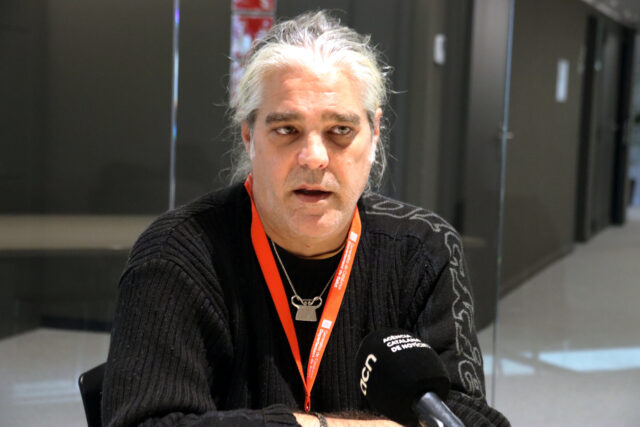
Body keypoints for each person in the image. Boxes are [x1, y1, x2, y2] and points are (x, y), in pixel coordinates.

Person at [102, 11, 510, 427]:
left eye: (340, 130)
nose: (314, 158)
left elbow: (468, 418)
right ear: (249, 135)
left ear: (374, 134)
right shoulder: (176, 253)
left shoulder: (423, 250)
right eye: (286, 130)